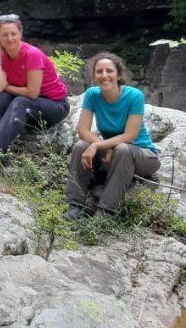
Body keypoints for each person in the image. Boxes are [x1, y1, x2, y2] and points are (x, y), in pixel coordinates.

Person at [0, 14, 70, 164]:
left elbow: (32, 93)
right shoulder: (3, 55)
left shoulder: (32, 54)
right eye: (5, 35)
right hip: (32, 107)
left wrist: (7, 87)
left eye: (13, 34)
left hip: (56, 106)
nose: (10, 38)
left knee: (21, 101)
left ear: (20, 34)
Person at [65, 52, 160, 220]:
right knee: (81, 146)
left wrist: (98, 145)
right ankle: (75, 206)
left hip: (142, 156)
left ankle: (106, 212)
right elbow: (83, 130)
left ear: (118, 74)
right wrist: (106, 147)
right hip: (114, 154)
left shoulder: (134, 96)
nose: (104, 75)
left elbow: (130, 136)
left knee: (123, 149)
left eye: (109, 71)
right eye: (99, 71)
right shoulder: (92, 95)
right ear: (94, 75)